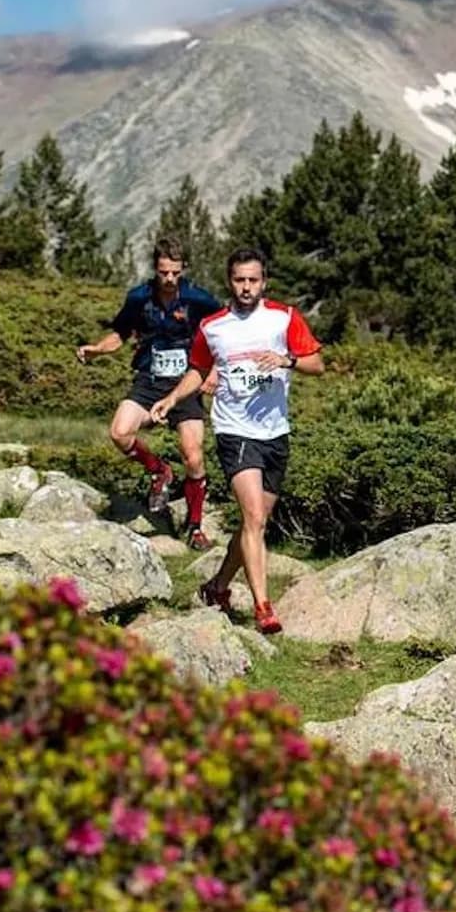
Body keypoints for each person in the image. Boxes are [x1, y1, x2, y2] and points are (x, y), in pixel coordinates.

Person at [152, 248, 322, 635]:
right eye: (239, 280)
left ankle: (216, 586)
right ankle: (264, 608)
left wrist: (287, 361)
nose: (246, 288)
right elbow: (198, 369)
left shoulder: (285, 318)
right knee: (255, 519)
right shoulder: (213, 326)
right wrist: (173, 397)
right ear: (230, 282)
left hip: (275, 434)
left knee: (255, 522)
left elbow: (317, 363)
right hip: (234, 430)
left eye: (253, 280)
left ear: (264, 282)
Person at [77, 238, 224, 549]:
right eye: (163, 272)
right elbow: (120, 334)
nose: (169, 279)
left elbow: (222, 334)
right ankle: (160, 471)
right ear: (155, 269)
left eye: (174, 272)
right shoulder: (138, 297)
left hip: (186, 385)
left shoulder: (199, 299)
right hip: (148, 381)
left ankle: (195, 528)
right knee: (119, 432)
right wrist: (97, 350)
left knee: (194, 456)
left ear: (183, 269)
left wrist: (213, 371)